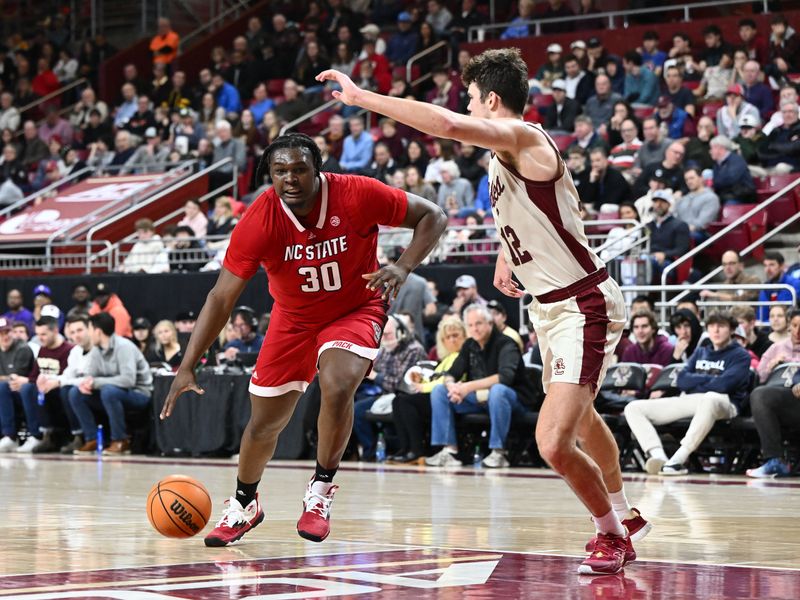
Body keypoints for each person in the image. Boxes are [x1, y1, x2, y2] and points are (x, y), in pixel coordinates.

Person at [317, 48, 649, 575]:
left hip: (581, 303)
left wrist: (362, 98)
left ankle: (611, 535)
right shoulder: (509, 155)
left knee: (552, 442)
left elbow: (444, 124)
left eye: (471, 98)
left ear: (491, 99)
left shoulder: (525, 136)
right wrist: (507, 252)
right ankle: (626, 512)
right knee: (581, 420)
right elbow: (550, 208)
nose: (465, 108)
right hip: (551, 304)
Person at [159, 133, 446, 547]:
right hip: (291, 321)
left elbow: (433, 215)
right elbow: (221, 297)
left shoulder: (358, 193)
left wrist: (403, 267)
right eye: (280, 171)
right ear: (268, 175)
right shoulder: (259, 220)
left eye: (299, 169)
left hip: (355, 310)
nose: (290, 178)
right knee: (264, 423)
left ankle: (320, 491)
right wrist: (187, 365)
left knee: (337, 384)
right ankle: (245, 504)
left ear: (317, 168)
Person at [624, 312, 751, 475]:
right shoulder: (701, 351)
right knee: (633, 407)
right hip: (692, 399)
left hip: (726, 404)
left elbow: (724, 385)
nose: (716, 331)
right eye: (712, 326)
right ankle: (659, 457)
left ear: (732, 330)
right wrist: (709, 379)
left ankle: (678, 460)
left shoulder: (740, 355)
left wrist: (696, 382)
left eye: (721, 326)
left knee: (710, 398)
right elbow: (682, 379)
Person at [425, 304, 536, 469]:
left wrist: (467, 387)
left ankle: (499, 452)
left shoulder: (507, 344)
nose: (474, 329)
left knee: (497, 391)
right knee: (439, 391)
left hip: (513, 399)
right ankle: (449, 451)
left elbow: (504, 378)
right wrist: (453, 388)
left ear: (490, 323)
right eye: (470, 325)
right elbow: (451, 373)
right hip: (478, 398)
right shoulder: (469, 344)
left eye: (478, 323)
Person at [69, 312, 152, 455]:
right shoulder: (96, 349)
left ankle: (120, 440)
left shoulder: (124, 347)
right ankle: (92, 439)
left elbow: (128, 380)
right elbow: (91, 376)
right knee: (75, 393)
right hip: (113, 393)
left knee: (109, 391)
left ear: (98, 331)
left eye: (89, 330)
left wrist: (96, 382)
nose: (88, 334)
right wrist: (86, 383)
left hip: (139, 394)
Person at [390, 316, 466, 464]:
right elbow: (436, 378)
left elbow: (447, 380)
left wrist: (423, 387)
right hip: (435, 394)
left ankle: (417, 450)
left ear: (464, 335)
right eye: (447, 337)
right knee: (397, 400)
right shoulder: (446, 358)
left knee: (406, 402)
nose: (452, 340)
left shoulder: (462, 356)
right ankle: (405, 448)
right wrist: (420, 380)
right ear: (443, 341)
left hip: (450, 396)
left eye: (455, 335)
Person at [353, 315, 426, 459]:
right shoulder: (386, 349)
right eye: (382, 335)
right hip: (384, 395)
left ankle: (375, 451)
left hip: (405, 396)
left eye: (388, 334)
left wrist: (375, 376)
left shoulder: (414, 350)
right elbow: (372, 368)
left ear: (400, 332)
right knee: (355, 409)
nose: (384, 338)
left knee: (360, 409)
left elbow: (400, 384)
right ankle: (370, 452)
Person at [747, 310, 800, 478]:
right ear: (789, 327)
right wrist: (770, 367)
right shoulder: (776, 347)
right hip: (780, 397)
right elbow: (759, 377)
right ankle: (774, 461)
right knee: (759, 394)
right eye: (795, 325)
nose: (798, 331)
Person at [0, 316, 35, 453]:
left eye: (7, 332)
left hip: (23, 393)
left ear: (13, 332)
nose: (4, 336)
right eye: (0, 333)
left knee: (2, 387)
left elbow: (14, 380)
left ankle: (10, 435)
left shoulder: (22, 349)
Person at [674, 167, 720, 244]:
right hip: (683, 232)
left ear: (701, 178)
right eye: (686, 180)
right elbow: (675, 218)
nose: (689, 182)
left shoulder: (711, 197)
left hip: (702, 235)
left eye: (692, 178)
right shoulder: (683, 199)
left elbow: (702, 223)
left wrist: (681, 229)